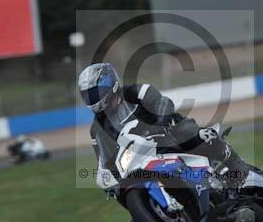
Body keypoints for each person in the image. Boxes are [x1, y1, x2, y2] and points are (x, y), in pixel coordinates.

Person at [77, 63, 249, 189]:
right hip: (143, 156)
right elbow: (104, 160)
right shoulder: (97, 129)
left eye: (95, 92)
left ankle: (236, 164)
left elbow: (162, 102)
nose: (93, 98)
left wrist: (160, 122)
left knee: (196, 134)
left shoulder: (136, 92)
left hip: (169, 132)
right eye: (88, 95)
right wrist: (109, 178)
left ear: (110, 84)